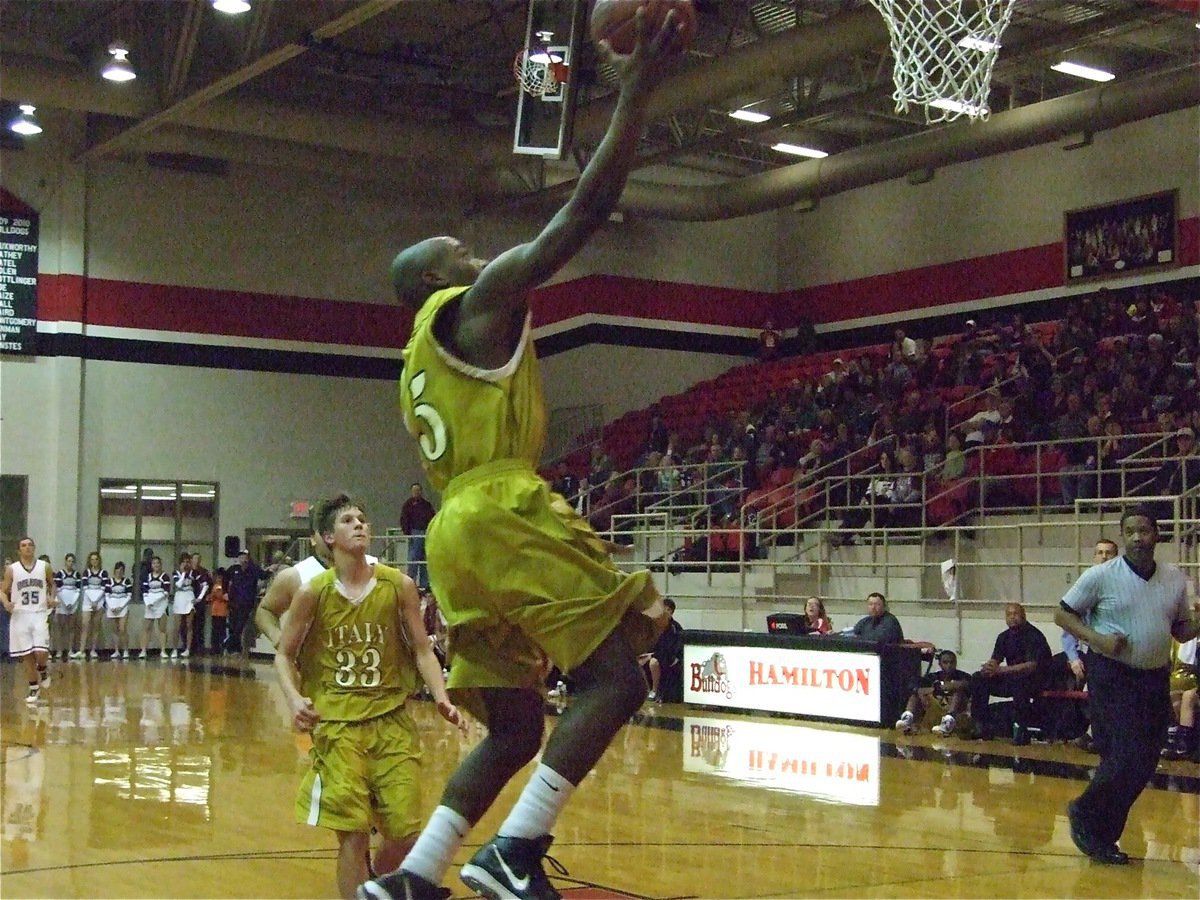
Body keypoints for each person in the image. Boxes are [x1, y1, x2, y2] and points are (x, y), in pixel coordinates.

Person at [358, 15, 687, 900]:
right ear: (436, 284)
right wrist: (636, 88)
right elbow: (579, 219)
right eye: (457, 257)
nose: (475, 258)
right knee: (618, 676)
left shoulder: (416, 365)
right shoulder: (469, 307)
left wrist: (563, 102)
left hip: (455, 534)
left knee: (510, 728)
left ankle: (415, 877)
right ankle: (511, 852)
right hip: (500, 507)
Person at [275, 495, 464, 900]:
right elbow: (283, 653)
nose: (360, 524)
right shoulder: (313, 592)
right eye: (348, 520)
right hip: (338, 726)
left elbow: (421, 649)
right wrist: (294, 699)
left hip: (392, 720)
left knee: (406, 831)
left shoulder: (399, 585)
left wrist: (442, 696)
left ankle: (374, 884)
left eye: (363, 518)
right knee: (353, 834)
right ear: (329, 536)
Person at [1055, 505, 1200, 864]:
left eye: (1145, 530)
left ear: (1157, 535)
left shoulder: (1174, 578)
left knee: (1146, 760)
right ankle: (1085, 812)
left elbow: (1181, 630)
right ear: (1123, 536)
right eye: (1130, 531)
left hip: (1154, 676)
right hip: (1112, 675)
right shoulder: (1101, 576)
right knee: (1125, 754)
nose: (1138, 537)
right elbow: (1062, 614)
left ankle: (1103, 838)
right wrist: (1097, 639)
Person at [966, 602, 1051, 744]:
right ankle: (981, 725)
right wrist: (989, 668)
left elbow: (1031, 665)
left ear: (1023, 616)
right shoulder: (1003, 637)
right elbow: (996, 659)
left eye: (1015, 614)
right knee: (979, 679)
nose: (1012, 617)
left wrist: (1001, 670)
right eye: (1009, 615)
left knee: (1020, 683)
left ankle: (1021, 731)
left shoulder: (1034, 636)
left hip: (1035, 680)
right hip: (1013, 678)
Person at [0, 537, 57, 703]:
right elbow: (3, 590)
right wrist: (6, 603)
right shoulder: (12, 569)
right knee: (27, 655)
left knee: (41, 651)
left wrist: (51, 598)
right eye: (23, 545)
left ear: (34, 548)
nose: (27, 548)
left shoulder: (44, 566)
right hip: (20, 615)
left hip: (39, 613)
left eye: (30, 545)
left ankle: (43, 669)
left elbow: (53, 584)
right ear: (18, 550)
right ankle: (33, 688)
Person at [895, 649, 970, 735]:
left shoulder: (963, 676)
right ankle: (907, 718)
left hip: (954, 710)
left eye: (951, 662)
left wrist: (954, 685)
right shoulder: (932, 677)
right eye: (945, 662)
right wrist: (924, 691)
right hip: (935, 710)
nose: (949, 665)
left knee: (958, 693)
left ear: (956, 663)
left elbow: (968, 684)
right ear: (940, 664)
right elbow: (913, 686)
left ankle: (948, 721)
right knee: (915, 695)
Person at [638, 597, 683, 703]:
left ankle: (654, 690)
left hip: (668, 657)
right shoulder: (655, 625)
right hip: (655, 653)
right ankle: (643, 690)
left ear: (670, 612)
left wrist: (652, 655)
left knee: (653, 663)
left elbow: (671, 648)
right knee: (637, 661)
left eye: (664, 610)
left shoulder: (675, 628)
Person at [226, 550, 268, 655]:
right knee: (233, 625)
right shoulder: (234, 569)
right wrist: (225, 592)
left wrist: (270, 571)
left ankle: (228, 644)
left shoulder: (254, 569)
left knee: (240, 625)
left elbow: (263, 575)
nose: (243, 559)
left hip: (246, 602)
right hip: (234, 602)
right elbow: (225, 579)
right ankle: (234, 648)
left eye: (245, 557)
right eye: (241, 557)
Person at [400, 483, 436, 593]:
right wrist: (408, 532)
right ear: (411, 492)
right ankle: (411, 582)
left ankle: (425, 584)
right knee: (414, 559)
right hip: (414, 533)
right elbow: (404, 519)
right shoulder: (408, 505)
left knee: (424, 559)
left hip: (425, 533)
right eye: (414, 490)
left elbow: (432, 517)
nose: (416, 492)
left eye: (418, 490)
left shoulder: (426, 505)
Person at [78, 551, 109, 660]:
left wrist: (96, 600)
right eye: (92, 559)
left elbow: (104, 587)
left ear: (99, 560)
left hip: (99, 600)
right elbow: (85, 587)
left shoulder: (103, 573)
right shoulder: (86, 572)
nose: (94, 561)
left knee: (96, 626)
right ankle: (81, 650)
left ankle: (93, 650)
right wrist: (92, 600)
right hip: (88, 600)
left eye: (96, 559)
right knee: (85, 625)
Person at [140, 555, 171, 659]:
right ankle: (143, 650)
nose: (156, 565)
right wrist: (148, 602)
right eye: (154, 563)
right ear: (151, 565)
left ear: (160, 564)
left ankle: (163, 651)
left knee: (162, 628)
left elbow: (166, 592)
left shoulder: (165, 576)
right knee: (147, 628)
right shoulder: (147, 577)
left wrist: (155, 600)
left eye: (158, 563)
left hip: (161, 603)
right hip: (150, 603)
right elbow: (144, 591)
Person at [52, 553, 81, 662]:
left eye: (72, 561)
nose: (70, 563)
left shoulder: (77, 575)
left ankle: (70, 650)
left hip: (73, 602)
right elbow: (58, 590)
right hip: (62, 602)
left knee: (71, 628)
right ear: (65, 562)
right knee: (60, 628)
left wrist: (72, 603)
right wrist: (64, 603)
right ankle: (59, 650)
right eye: (68, 561)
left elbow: (78, 590)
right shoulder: (60, 574)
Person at [104, 561, 134, 660]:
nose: (119, 572)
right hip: (112, 606)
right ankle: (116, 650)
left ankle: (125, 650)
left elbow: (129, 595)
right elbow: (107, 595)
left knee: (122, 629)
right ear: (114, 571)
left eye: (121, 570)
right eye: (117, 570)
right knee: (114, 630)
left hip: (123, 607)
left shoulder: (127, 581)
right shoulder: (109, 581)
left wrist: (121, 606)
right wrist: (111, 606)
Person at [170, 552, 196, 660]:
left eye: (188, 562)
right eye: (184, 562)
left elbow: (198, 585)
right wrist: (183, 573)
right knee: (177, 626)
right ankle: (175, 649)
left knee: (189, 625)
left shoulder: (193, 573)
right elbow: (178, 584)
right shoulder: (176, 573)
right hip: (179, 598)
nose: (186, 564)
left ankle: (188, 649)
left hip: (189, 598)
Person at [189, 553, 213, 655]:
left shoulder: (204, 572)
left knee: (199, 624)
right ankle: (189, 646)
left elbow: (209, 584)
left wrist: (205, 596)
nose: (197, 560)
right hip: (189, 600)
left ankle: (199, 647)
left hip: (200, 601)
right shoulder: (188, 571)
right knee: (189, 624)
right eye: (195, 558)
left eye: (199, 558)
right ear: (191, 560)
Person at [209, 570, 229, 654]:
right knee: (215, 630)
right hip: (216, 611)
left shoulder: (223, 586)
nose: (219, 579)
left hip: (222, 611)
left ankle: (221, 647)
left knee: (221, 630)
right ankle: (215, 647)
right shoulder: (217, 586)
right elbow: (219, 595)